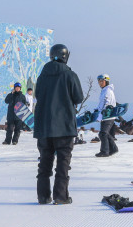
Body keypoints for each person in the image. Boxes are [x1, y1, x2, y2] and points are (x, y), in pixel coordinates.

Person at [34, 43, 83, 205]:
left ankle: (43, 196)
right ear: (65, 56)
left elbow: (37, 95)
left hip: (44, 127)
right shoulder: (70, 75)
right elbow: (78, 98)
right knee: (63, 162)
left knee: (44, 162)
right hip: (64, 126)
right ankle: (61, 196)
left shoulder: (42, 76)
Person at [94, 74, 118, 157]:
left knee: (103, 133)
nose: (100, 83)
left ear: (106, 81)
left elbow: (107, 103)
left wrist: (101, 113)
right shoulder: (104, 90)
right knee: (105, 133)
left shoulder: (108, 91)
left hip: (108, 115)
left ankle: (105, 151)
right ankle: (113, 149)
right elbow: (101, 103)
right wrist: (97, 109)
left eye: (102, 81)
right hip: (104, 116)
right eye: (99, 81)